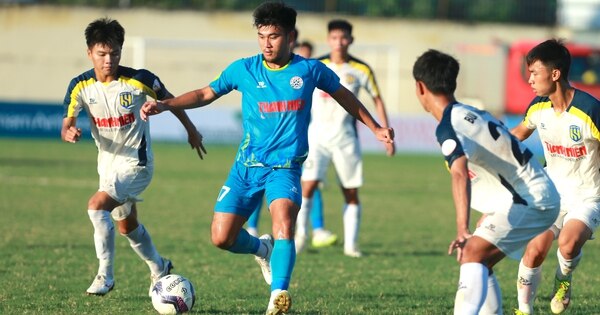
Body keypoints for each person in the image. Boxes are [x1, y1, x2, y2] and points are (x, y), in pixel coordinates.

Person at [140, 3, 394, 314]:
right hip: (246, 167)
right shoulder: (244, 69)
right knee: (221, 238)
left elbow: (345, 96)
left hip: (285, 167)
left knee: (284, 223)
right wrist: (166, 104)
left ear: (290, 37)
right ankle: (262, 248)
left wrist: (376, 127)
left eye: (273, 36)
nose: (266, 43)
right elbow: (206, 93)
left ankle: (278, 297)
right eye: (261, 36)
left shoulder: (309, 70)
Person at [61, 18, 205, 296]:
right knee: (127, 226)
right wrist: (68, 131)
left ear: (120, 51)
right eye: (102, 54)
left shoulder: (140, 80)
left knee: (96, 206)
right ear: (89, 52)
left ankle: (106, 275)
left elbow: (170, 101)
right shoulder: (80, 86)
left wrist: (191, 130)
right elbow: (67, 122)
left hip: (137, 165)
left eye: (114, 53)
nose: (108, 60)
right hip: (108, 165)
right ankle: (159, 267)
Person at [413, 49, 560, 314]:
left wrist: (462, 229)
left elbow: (459, 173)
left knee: (471, 253)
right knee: (479, 262)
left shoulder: (449, 126)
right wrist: (495, 210)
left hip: (531, 199)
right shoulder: (472, 113)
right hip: (525, 196)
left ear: (420, 87)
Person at [511, 39, 600, 315]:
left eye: (534, 73)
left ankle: (564, 278)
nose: (529, 80)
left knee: (568, 244)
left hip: (587, 195)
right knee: (534, 251)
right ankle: (524, 311)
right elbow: (516, 136)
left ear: (555, 74)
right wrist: (484, 148)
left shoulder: (590, 110)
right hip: (551, 194)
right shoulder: (538, 107)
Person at [295, 19, 396, 257]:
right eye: (334, 38)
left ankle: (351, 245)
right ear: (328, 40)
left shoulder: (361, 70)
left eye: (343, 38)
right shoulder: (315, 65)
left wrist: (385, 131)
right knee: (306, 187)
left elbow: (377, 99)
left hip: (346, 138)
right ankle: (300, 237)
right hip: (316, 137)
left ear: (350, 40)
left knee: (350, 191)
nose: (338, 42)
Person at [246, 35, 338, 249]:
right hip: (267, 146)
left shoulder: (308, 73)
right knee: (261, 182)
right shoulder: (269, 74)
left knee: (310, 183)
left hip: (300, 143)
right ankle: (252, 226)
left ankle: (316, 230)